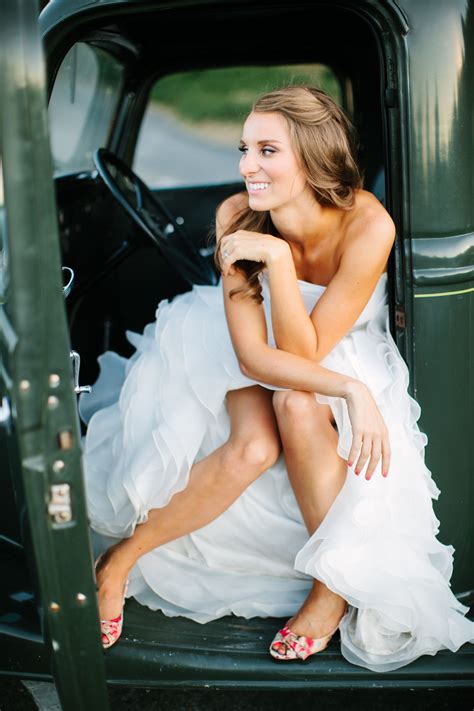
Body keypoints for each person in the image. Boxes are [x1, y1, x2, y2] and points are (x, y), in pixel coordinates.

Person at [80, 85, 474, 671]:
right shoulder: (235, 215)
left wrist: (282, 264)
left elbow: (311, 350)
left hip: (335, 350)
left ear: (312, 158)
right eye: (244, 148)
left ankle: (329, 587)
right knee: (252, 447)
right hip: (242, 345)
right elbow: (254, 359)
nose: (246, 166)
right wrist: (349, 390)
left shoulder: (368, 224)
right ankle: (117, 562)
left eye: (268, 150)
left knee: (294, 404)